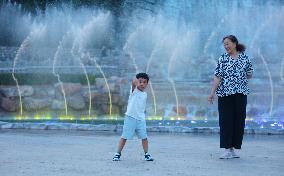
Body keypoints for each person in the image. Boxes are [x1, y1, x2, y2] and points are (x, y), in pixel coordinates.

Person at [208, 35, 253, 159]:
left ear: (234, 44)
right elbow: (217, 77)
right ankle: (227, 149)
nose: (226, 46)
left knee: (238, 121)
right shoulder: (222, 58)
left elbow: (250, 74)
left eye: (228, 44)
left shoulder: (245, 58)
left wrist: (240, 79)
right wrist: (212, 93)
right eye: (224, 44)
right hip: (225, 94)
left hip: (240, 94)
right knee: (226, 121)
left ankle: (233, 149)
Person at [112, 73, 154, 161]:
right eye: (140, 82)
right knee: (124, 137)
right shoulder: (134, 91)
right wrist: (136, 81)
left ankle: (147, 154)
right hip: (130, 117)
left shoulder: (145, 94)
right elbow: (133, 82)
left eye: (144, 82)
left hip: (141, 119)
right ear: (137, 82)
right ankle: (117, 153)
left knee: (144, 137)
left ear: (147, 84)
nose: (142, 84)